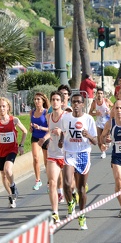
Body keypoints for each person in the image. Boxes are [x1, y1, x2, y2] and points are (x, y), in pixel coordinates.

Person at [59, 93, 98, 230]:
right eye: (73, 102)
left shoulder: (88, 119)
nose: (76, 105)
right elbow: (63, 133)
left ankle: (82, 216)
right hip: (69, 153)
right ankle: (71, 204)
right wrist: (61, 141)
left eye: (78, 102)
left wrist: (88, 136)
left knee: (81, 188)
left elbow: (95, 141)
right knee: (67, 184)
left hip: (83, 154)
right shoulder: (66, 118)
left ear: (83, 104)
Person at [0, 97, 27, 208]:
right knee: (3, 176)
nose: (2, 108)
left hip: (12, 149)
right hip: (1, 151)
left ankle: (13, 186)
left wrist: (21, 145)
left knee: (8, 170)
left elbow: (25, 131)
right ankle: (11, 196)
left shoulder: (14, 120)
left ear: (8, 107)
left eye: (4, 106)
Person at [39, 91, 67, 223]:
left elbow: (72, 134)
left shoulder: (66, 116)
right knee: (52, 183)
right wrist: (44, 138)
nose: (55, 102)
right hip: (53, 154)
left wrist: (61, 132)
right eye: (53, 99)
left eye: (57, 99)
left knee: (69, 185)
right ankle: (55, 212)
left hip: (67, 154)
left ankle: (71, 202)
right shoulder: (49, 116)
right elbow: (50, 131)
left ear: (62, 102)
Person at [30, 92, 51, 191]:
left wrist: (40, 127)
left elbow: (50, 129)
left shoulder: (46, 112)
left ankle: (49, 182)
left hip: (45, 138)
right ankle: (38, 180)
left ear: (43, 101)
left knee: (47, 162)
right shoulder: (32, 112)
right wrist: (31, 128)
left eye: (38, 99)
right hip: (35, 137)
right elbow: (31, 127)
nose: (36, 101)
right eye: (35, 99)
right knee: (36, 158)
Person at [89, 87, 114, 159]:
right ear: (96, 94)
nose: (99, 95)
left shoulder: (106, 101)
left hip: (107, 122)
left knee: (106, 138)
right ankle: (103, 152)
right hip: (99, 123)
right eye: (98, 93)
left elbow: (114, 107)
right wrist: (95, 113)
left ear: (103, 95)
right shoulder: (94, 103)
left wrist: (110, 111)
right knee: (99, 139)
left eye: (101, 93)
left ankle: (107, 143)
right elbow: (90, 113)